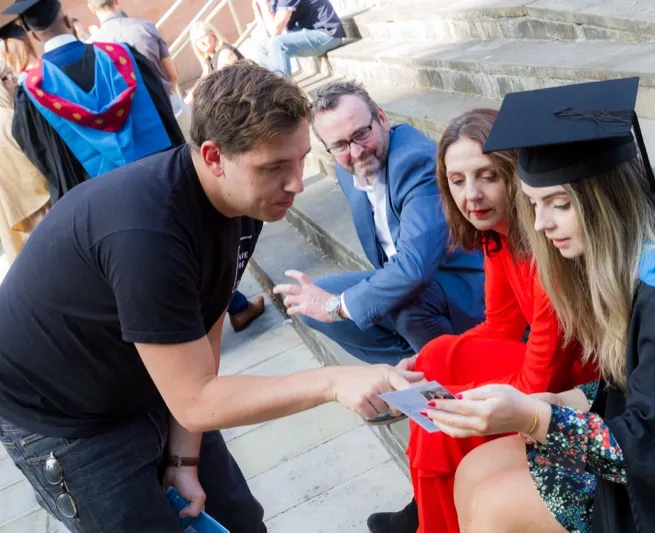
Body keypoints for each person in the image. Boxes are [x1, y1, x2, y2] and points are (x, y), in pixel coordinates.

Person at [0, 61, 423, 532]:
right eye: (276, 167)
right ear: (213, 155)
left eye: (302, 158)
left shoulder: (247, 197)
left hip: (153, 379)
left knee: (239, 519)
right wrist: (333, 382)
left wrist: (183, 457)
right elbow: (197, 399)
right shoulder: (149, 232)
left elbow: (208, 322)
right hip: (65, 415)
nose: (297, 183)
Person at [424, 78, 655, 533]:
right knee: (474, 470)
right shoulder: (643, 264)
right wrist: (561, 400)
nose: (540, 225)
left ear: (605, 204)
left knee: (492, 506)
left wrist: (533, 417)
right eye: (533, 204)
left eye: (558, 204)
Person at [367, 109, 597, 533]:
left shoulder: (547, 251)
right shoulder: (497, 235)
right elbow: (499, 327)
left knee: (441, 408)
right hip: (541, 366)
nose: (471, 194)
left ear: (513, 173)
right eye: (457, 180)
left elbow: (541, 379)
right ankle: (427, 508)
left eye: (487, 175)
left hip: (574, 383)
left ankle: (431, 520)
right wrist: (421, 369)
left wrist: (451, 397)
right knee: (436, 355)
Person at [274, 81, 486, 365]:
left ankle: (456, 375)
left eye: (362, 134)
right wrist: (330, 304)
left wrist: (337, 307)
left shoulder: (417, 163)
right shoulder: (347, 165)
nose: (357, 151)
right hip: (423, 291)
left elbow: (413, 269)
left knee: (404, 299)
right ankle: (417, 370)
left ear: (382, 118)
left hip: (468, 292)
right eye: (339, 145)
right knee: (312, 300)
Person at [3, 0, 184, 206]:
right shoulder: (122, 55)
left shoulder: (31, 91)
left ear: (34, 36)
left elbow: (44, 157)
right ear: (68, 22)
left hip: (101, 204)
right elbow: (162, 107)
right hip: (160, 184)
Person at [183, 19, 265, 330]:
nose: (204, 42)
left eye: (206, 35)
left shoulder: (227, 56)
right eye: (198, 39)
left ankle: (237, 306)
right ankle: (238, 306)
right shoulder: (210, 62)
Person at [89, 0, 192, 140]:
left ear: (92, 9)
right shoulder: (145, 26)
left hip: (136, 121)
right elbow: (172, 74)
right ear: (116, 1)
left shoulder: (95, 46)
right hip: (170, 104)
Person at [0, 26, 49, 262]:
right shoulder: (10, 119)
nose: (10, 83)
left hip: (15, 226)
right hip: (42, 216)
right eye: (5, 79)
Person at [252, 0, 345, 77]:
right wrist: (261, 8)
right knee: (262, 45)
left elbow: (276, 31)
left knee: (278, 43)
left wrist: (263, 5)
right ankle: (268, 87)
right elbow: (271, 31)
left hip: (327, 34)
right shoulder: (275, 2)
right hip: (310, 34)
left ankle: (282, 93)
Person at [184, 21, 244, 107]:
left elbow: (223, 86)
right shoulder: (209, 60)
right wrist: (183, 106)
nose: (201, 42)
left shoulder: (225, 53)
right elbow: (199, 86)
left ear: (213, 36)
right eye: (197, 40)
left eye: (202, 37)